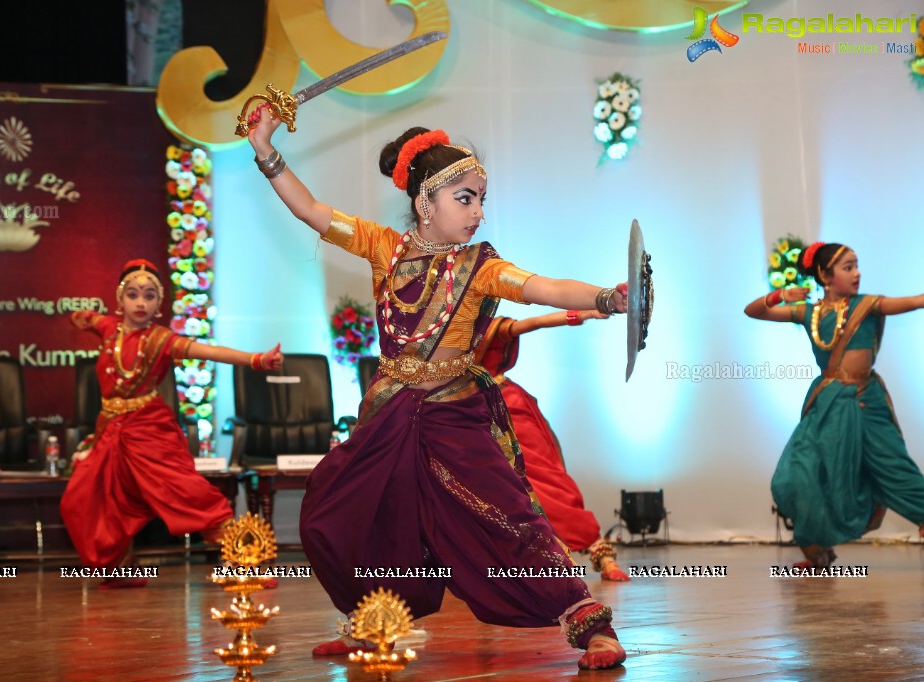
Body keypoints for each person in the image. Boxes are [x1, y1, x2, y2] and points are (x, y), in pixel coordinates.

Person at [247, 105, 628, 671]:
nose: (477, 212)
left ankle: (589, 623)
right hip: (390, 412)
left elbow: (544, 287)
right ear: (426, 202)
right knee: (337, 508)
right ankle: (371, 622)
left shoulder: (481, 266)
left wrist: (605, 298)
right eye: (465, 198)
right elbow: (310, 210)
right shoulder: (383, 247)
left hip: (453, 414)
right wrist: (264, 149)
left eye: (480, 199)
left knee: (507, 516)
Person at [60, 258, 283, 588]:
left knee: (187, 494)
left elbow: (207, 351)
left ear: (158, 305)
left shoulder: (161, 339)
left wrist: (255, 360)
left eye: (149, 296)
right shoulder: (109, 329)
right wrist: (86, 318)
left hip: (149, 430)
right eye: (133, 294)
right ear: (120, 299)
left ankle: (245, 561)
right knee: (84, 498)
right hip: (110, 430)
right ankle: (122, 568)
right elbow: (78, 317)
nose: (140, 302)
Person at [744, 242, 924, 569]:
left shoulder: (868, 305)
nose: (857, 274)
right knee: (796, 474)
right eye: (848, 267)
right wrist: (778, 296)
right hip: (827, 401)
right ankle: (816, 550)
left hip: (864, 401)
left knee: (894, 470)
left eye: (857, 266)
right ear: (825, 275)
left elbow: (913, 302)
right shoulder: (810, 312)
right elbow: (753, 311)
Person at [475, 311, 628, 581]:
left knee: (547, 482)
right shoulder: (440, 325)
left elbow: (531, 322)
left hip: (504, 408)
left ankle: (599, 552)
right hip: (463, 412)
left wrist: (581, 313)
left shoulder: (488, 325)